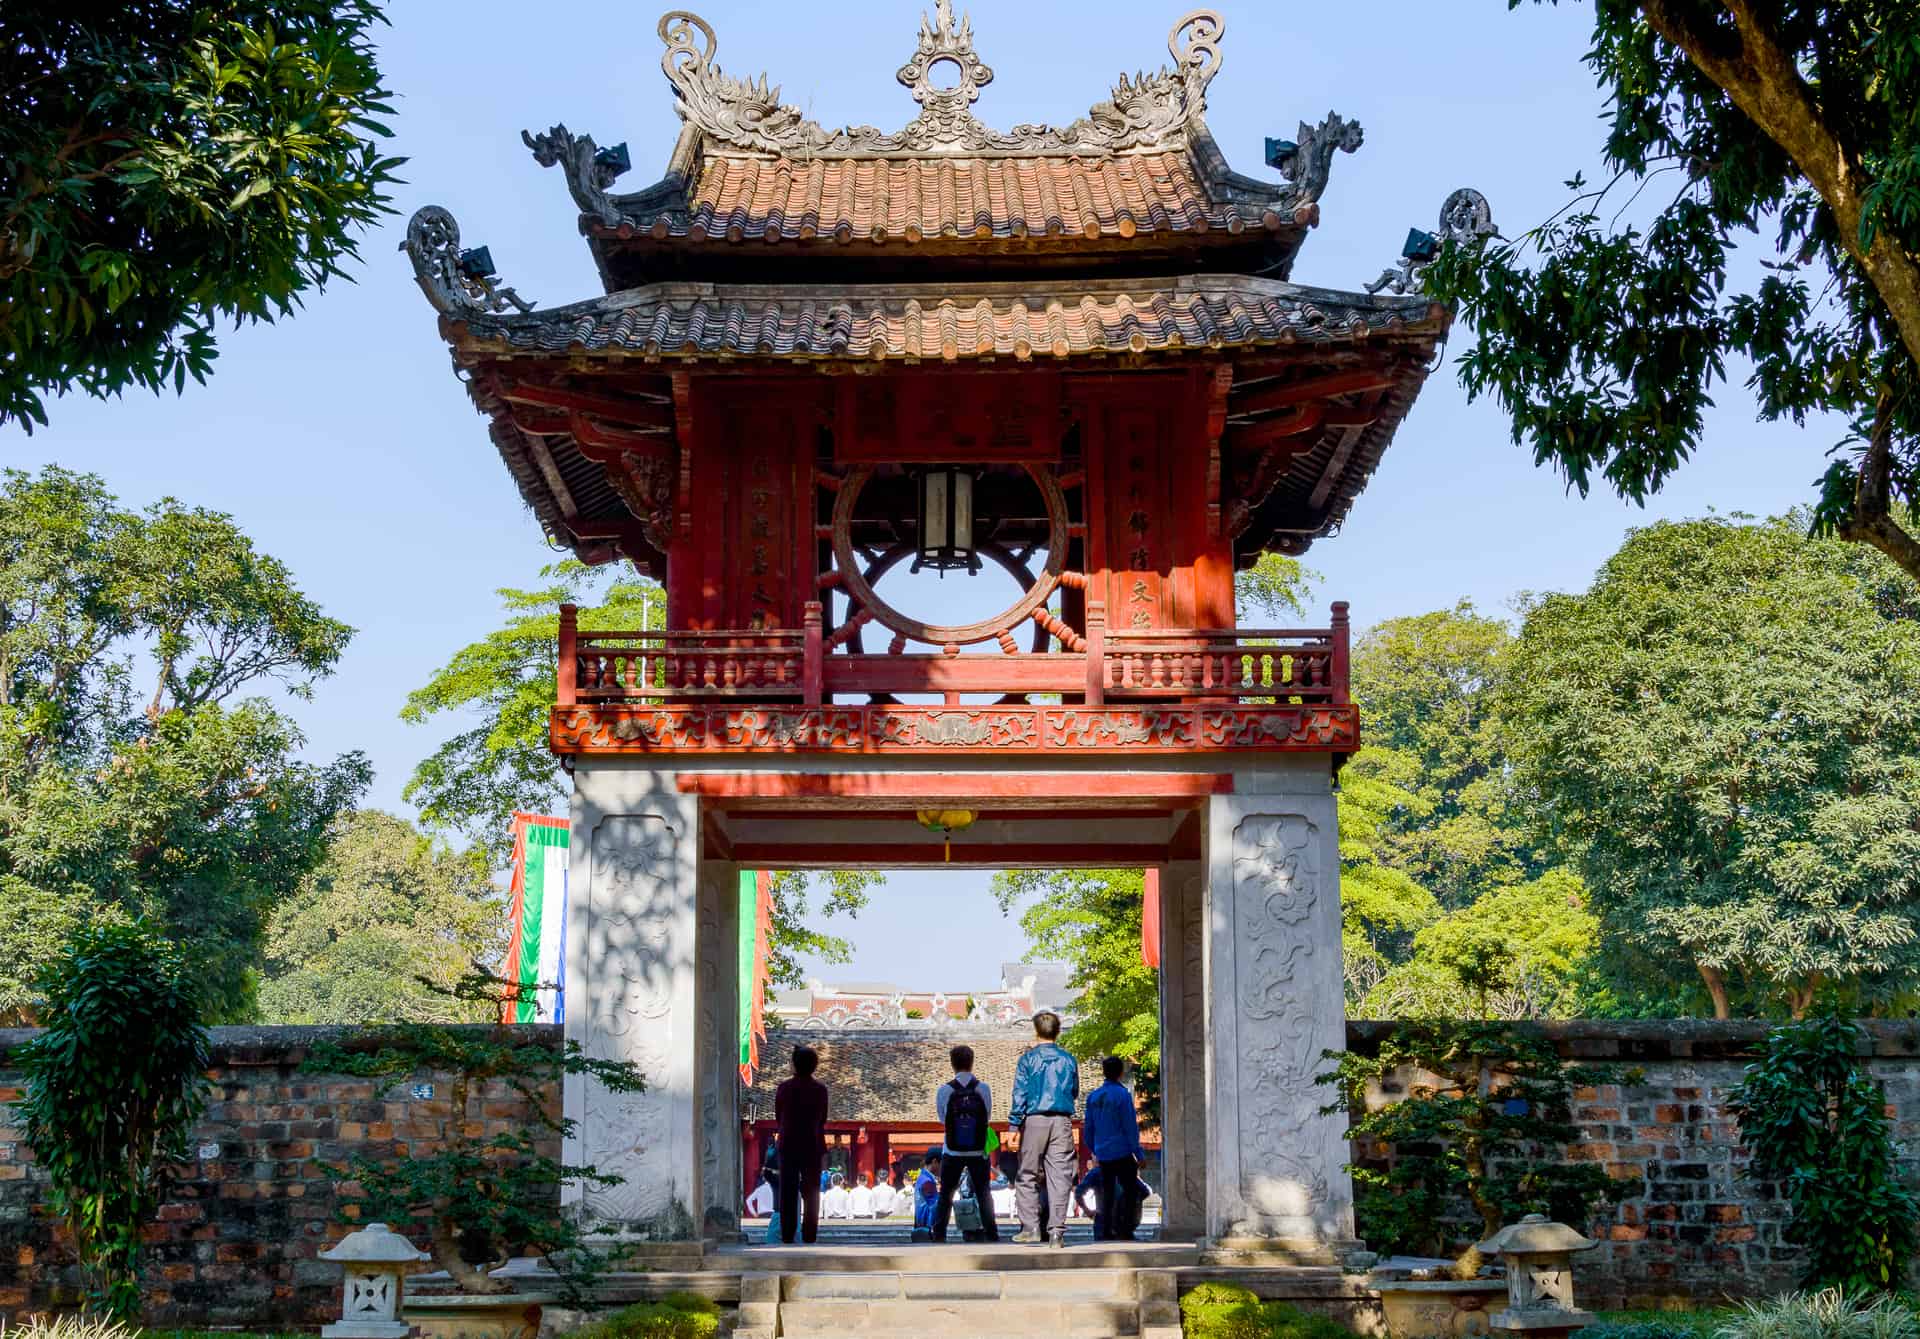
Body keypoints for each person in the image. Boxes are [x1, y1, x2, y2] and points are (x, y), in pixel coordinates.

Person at [1007, 1010, 1080, 1248]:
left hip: (1034, 1119)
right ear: (1058, 1031)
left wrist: (1014, 1125)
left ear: (1036, 1031)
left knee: (1027, 1174)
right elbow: (1074, 1091)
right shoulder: (1068, 1060)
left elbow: (1020, 1093)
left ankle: (1030, 1227)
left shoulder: (1028, 1060)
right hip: (1061, 1121)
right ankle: (1057, 1231)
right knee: (1060, 1177)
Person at [931, 1044, 1000, 1243]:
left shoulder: (944, 1090)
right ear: (972, 1063)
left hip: (952, 1150)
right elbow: (987, 1116)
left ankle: (939, 1233)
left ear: (952, 1064)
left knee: (946, 1193)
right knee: (983, 1193)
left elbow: (942, 1119)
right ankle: (991, 1233)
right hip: (978, 1151)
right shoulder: (983, 1088)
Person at [1084, 1054, 1147, 1242]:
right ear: (1120, 1072)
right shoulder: (1122, 1095)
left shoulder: (1094, 1097)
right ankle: (1125, 1228)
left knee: (1108, 1193)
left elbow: (1089, 1128)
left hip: (1103, 1152)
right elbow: (1129, 1126)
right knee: (1130, 1191)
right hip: (1122, 1150)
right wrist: (1138, 1153)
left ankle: (1106, 1229)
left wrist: (1094, 1149)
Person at [773, 1045, 829, 1244]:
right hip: (812, 1144)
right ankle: (810, 1235)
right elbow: (822, 1118)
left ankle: (787, 1235)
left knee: (788, 1191)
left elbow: (779, 1117)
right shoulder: (820, 1089)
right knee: (812, 1192)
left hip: (788, 1144)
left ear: (795, 1065)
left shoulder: (784, 1088)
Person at [912, 1151, 942, 1240]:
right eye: (941, 1164)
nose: (941, 1168)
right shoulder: (927, 1181)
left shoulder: (922, 1177)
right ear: (934, 1162)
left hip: (921, 1224)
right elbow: (934, 1206)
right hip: (927, 1226)